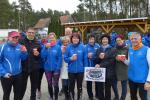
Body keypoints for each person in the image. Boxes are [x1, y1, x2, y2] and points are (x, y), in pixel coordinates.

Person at [0, 31, 27, 100]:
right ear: (9, 38)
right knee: (6, 94)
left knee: (17, 94)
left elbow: (23, 59)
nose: (15, 39)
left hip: (18, 75)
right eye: (13, 37)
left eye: (17, 37)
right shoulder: (2, 47)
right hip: (6, 76)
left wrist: (24, 52)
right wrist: (3, 73)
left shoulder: (20, 46)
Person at [123, 33, 150, 100]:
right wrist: (123, 60)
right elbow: (130, 63)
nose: (133, 40)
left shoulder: (147, 49)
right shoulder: (130, 49)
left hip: (142, 80)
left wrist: (148, 81)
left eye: (135, 38)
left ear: (140, 39)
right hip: (131, 78)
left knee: (143, 97)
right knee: (133, 96)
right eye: (132, 39)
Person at [19, 27, 41, 100]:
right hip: (24, 68)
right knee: (22, 87)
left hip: (34, 68)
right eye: (29, 32)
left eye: (32, 33)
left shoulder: (37, 43)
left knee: (34, 87)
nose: (31, 34)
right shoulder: (21, 41)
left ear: (34, 34)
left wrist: (38, 55)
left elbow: (39, 57)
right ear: (26, 33)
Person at [64, 32, 87, 100]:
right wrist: (71, 58)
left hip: (80, 71)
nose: (75, 39)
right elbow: (65, 59)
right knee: (71, 87)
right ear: (71, 39)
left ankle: (79, 98)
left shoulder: (83, 47)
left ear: (79, 39)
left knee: (79, 87)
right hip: (71, 71)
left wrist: (85, 68)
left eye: (77, 38)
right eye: (74, 38)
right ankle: (72, 98)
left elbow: (85, 59)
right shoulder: (68, 47)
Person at [41, 32, 62, 100]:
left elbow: (60, 58)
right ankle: (51, 97)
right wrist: (45, 48)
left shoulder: (58, 47)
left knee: (55, 84)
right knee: (49, 84)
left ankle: (56, 97)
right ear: (48, 39)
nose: (51, 39)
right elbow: (42, 56)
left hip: (56, 69)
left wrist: (58, 68)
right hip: (47, 69)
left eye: (53, 38)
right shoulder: (45, 46)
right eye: (50, 38)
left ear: (55, 39)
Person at [95, 34, 116, 100]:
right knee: (100, 88)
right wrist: (99, 58)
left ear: (108, 40)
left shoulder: (112, 49)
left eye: (106, 39)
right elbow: (96, 60)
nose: (104, 40)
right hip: (100, 72)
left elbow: (111, 61)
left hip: (109, 71)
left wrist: (101, 65)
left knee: (107, 88)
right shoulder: (98, 49)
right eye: (103, 39)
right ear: (101, 40)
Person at [85, 34, 100, 100]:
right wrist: (87, 56)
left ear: (94, 40)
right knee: (89, 83)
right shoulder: (85, 47)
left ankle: (97, 94)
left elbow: (99, 55)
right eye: (90, 39)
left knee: (97, 81)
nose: (91, 40)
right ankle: (90, 95)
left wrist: (93, 55)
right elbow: (83, 56)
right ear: (88, 40)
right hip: (89, 67)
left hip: (96, 67)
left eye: (93, 39)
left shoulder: (98, 46)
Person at [114, 34, 128, 100]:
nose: (118, 41)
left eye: (120, 40)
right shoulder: (114, 48)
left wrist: (124, 59)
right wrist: (115, 58)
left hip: (124, 70)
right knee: (114, 85)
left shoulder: (128, 48)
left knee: (124, 86)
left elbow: (130, 62)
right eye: (117, 40)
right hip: (115, 69)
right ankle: (116, 96)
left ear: (123, 40)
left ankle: (122, 98)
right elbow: (112, 57)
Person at [36, 31, 48, 99]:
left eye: (45, 35)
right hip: (40, 65)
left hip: (47, 64)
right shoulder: (37, 43)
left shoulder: (50, 43)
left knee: (50, 79)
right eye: (42, 35)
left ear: (47, 36)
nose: (44, 36)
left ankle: (51, 90)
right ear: (40, 36)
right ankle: (39, 91)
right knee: (39, 79)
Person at [60, 36, 70, 100]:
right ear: (62, 42)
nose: (66, 43)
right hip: (63, 67)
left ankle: (70, 94)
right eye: (64, 42)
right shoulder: (60, 48)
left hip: (70, 67)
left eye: (67, 42)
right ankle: (66, 95)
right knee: (64, 83)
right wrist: (62, 53)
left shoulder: (71, 48)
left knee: (70, 82)